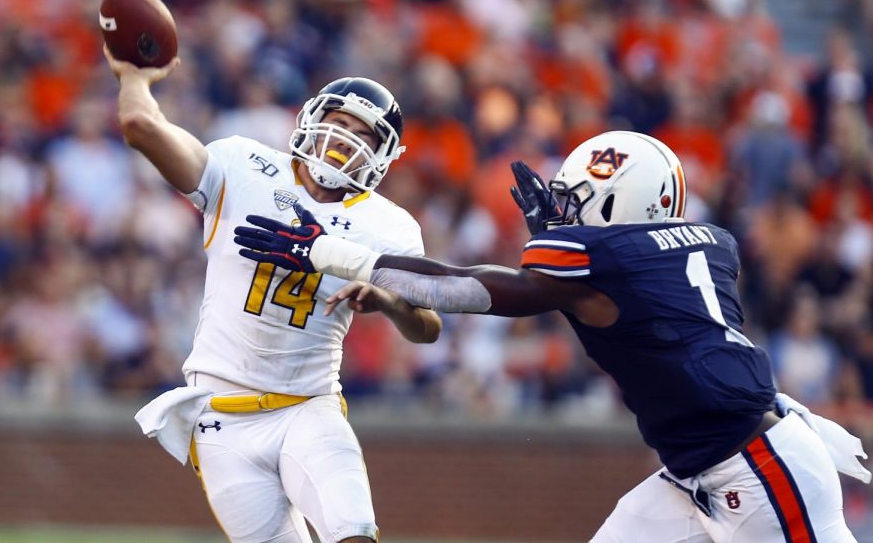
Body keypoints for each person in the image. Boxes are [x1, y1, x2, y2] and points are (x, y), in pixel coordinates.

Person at [234, 130, 870, 542]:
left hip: (758, 468)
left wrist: (337, 254)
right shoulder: (707, 244)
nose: (561, 215)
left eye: (579, 201)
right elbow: (699, 345)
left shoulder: (609, 259)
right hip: (699, 469)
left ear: (624, 205)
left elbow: (470, 290)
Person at [103, 46, 442, 543]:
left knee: (354, 534)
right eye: (339, 122)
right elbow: (140, 127)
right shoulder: (243, 164)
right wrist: (134, 78)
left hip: (308, 405)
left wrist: (386, 299)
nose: (346, 139)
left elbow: (427, 327)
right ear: (309, 118)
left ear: (384, 154)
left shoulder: (389, 226)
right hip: (222, 415)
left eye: (364, 134)